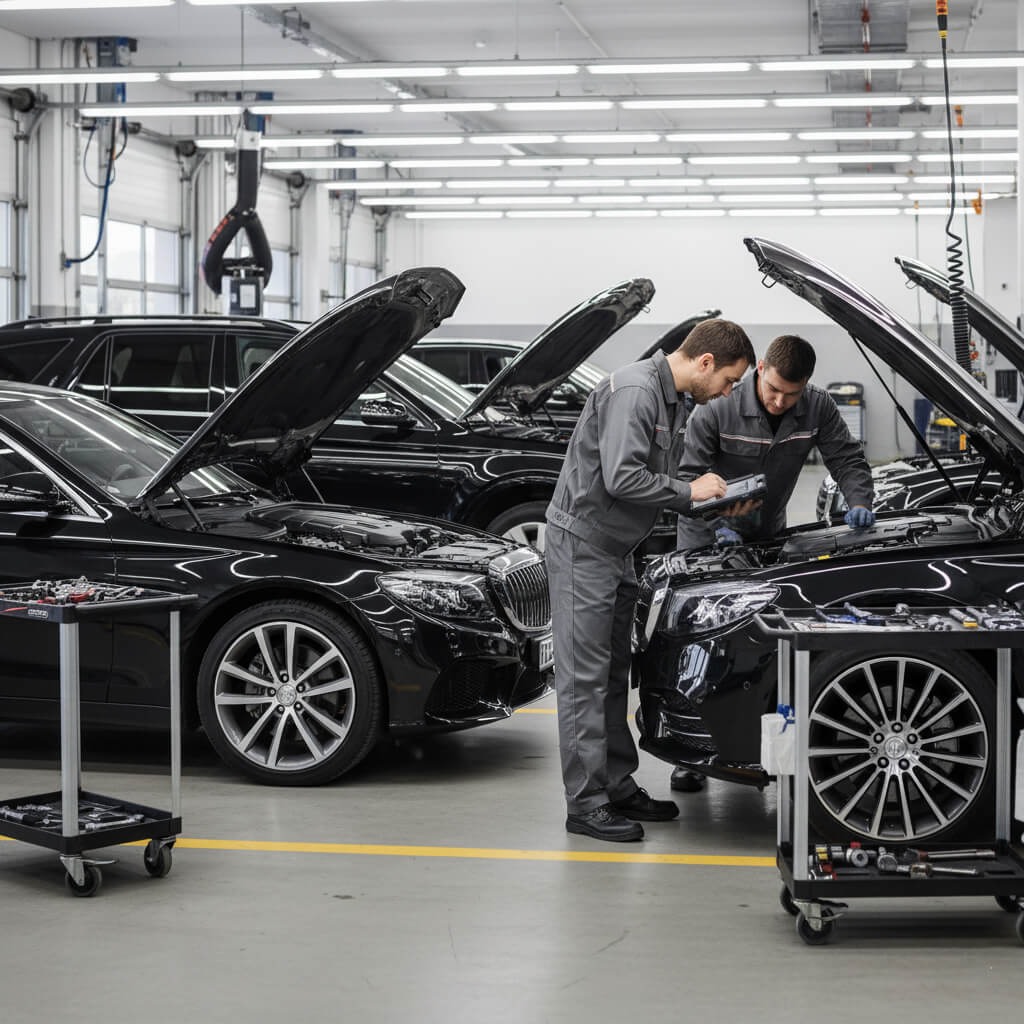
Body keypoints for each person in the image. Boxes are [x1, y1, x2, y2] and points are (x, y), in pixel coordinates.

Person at [545, 319, 756, 842]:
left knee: (616, 673)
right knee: (584, 682)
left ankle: (616, 785)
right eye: (729, 380)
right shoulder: (637, 391)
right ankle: (586, 804)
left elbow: (642, 481)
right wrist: (690, 492)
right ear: (705, 363)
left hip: (616, 549)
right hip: (583, 548)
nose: (729, 392)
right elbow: (623, 478)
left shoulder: (672, 398)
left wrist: (714, 502)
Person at [669, 334, 875, 794]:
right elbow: (687, 476)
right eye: (774, 390)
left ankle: (759, 744)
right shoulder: (717, 406)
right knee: (702, 642)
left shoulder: (817, 407)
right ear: (761, 369)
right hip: (706, 537)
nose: (781, 402)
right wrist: (714, 521)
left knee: (756, 643)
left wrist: (859, 499)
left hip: (767, 535)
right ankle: (692, 756)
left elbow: (846, 457)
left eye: (792, 394)